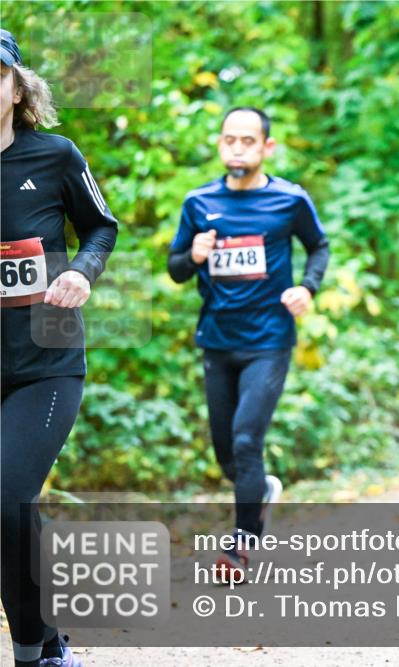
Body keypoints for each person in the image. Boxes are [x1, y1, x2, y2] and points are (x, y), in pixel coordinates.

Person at [169, 107, 329, 580]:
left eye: (248, 141)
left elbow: (318, 246)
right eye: (229, 140)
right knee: (227, 454)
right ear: (220, 145)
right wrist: (193, 255)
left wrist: (308, 287)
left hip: (269, 340)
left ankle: (241, 548)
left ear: (266, 148)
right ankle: (259, 495)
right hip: (217, 340)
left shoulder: (289, 200)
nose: (237, 148)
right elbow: (175, 268)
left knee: (245, 440)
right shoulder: (198, 203)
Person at [1, 29, 118, 667]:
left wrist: (81, 271)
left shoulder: (54, 156)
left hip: (45, 360)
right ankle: (48, 640)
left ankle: (31, 656)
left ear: (18, 89)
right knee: (9, 510)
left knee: (5, 497)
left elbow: (101, 225)